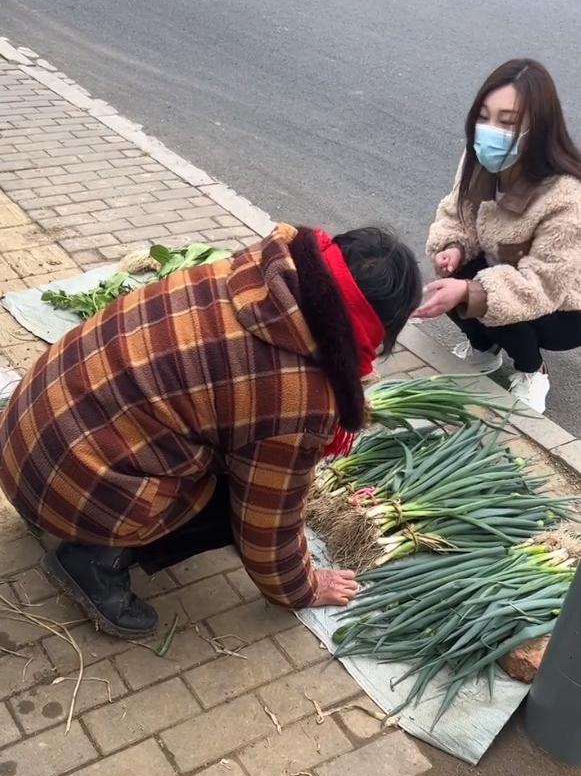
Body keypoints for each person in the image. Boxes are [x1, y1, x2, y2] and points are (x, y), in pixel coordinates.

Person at [0, 222, 421, 638]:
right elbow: (266, 525)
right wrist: (303, 587)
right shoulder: (298, 395)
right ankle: (91, 562)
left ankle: (66, 508)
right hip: (62, 480)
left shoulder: (252, 276)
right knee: (236, 499)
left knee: (223, 443)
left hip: (24, 435)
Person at [416, 58, 581, 413]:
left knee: (483, 295)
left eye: (507, 122)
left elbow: (541, 285)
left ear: (539, 128)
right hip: (504, 270)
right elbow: (455, 212)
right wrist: (454, 247)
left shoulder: (566, 196)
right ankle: (483, 349)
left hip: (564, 304)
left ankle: (533, 370)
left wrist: (469, 290)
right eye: (484, 116)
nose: (489, 130)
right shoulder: (480, 158)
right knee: (453, 276)